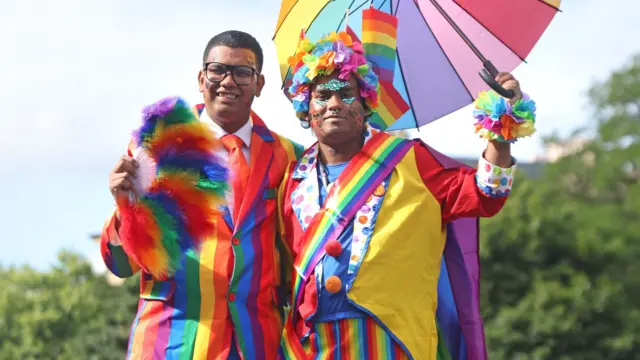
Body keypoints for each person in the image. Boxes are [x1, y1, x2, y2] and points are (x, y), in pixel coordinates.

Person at [276, 31, 534, 359]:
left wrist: (502, 123)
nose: (335, 104)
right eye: (323, 95)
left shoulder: (410, 159)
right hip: (312, 347)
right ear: (305, 106)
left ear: (366, 103)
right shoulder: (294, 179)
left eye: (346, 94)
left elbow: (487, 193)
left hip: (392, 343)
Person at [101, 30, 303, 360]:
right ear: (201, 77)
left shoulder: (290, 156)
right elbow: (121, 265)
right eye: (217, 70)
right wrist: (124, 208)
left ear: (260, 84)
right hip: (170, 344)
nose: (228, 81)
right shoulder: (156, 148)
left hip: (258, 346)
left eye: (242, 72)